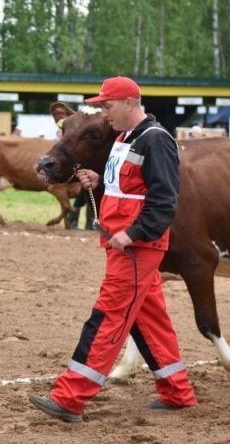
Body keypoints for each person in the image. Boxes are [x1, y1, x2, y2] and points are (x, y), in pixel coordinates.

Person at [30, 76, 197, 422]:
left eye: (107, 105)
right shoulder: (126, 137)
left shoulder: (156, 140)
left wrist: (133, 234)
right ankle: (177, 392)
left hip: (135, 247)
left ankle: (70, 397)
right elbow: (129, 184)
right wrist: (97, 179)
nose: (104, 113)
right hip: (124, 244)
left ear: (130, 103)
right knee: (150, 319)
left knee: (109, 315)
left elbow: (165, 201)